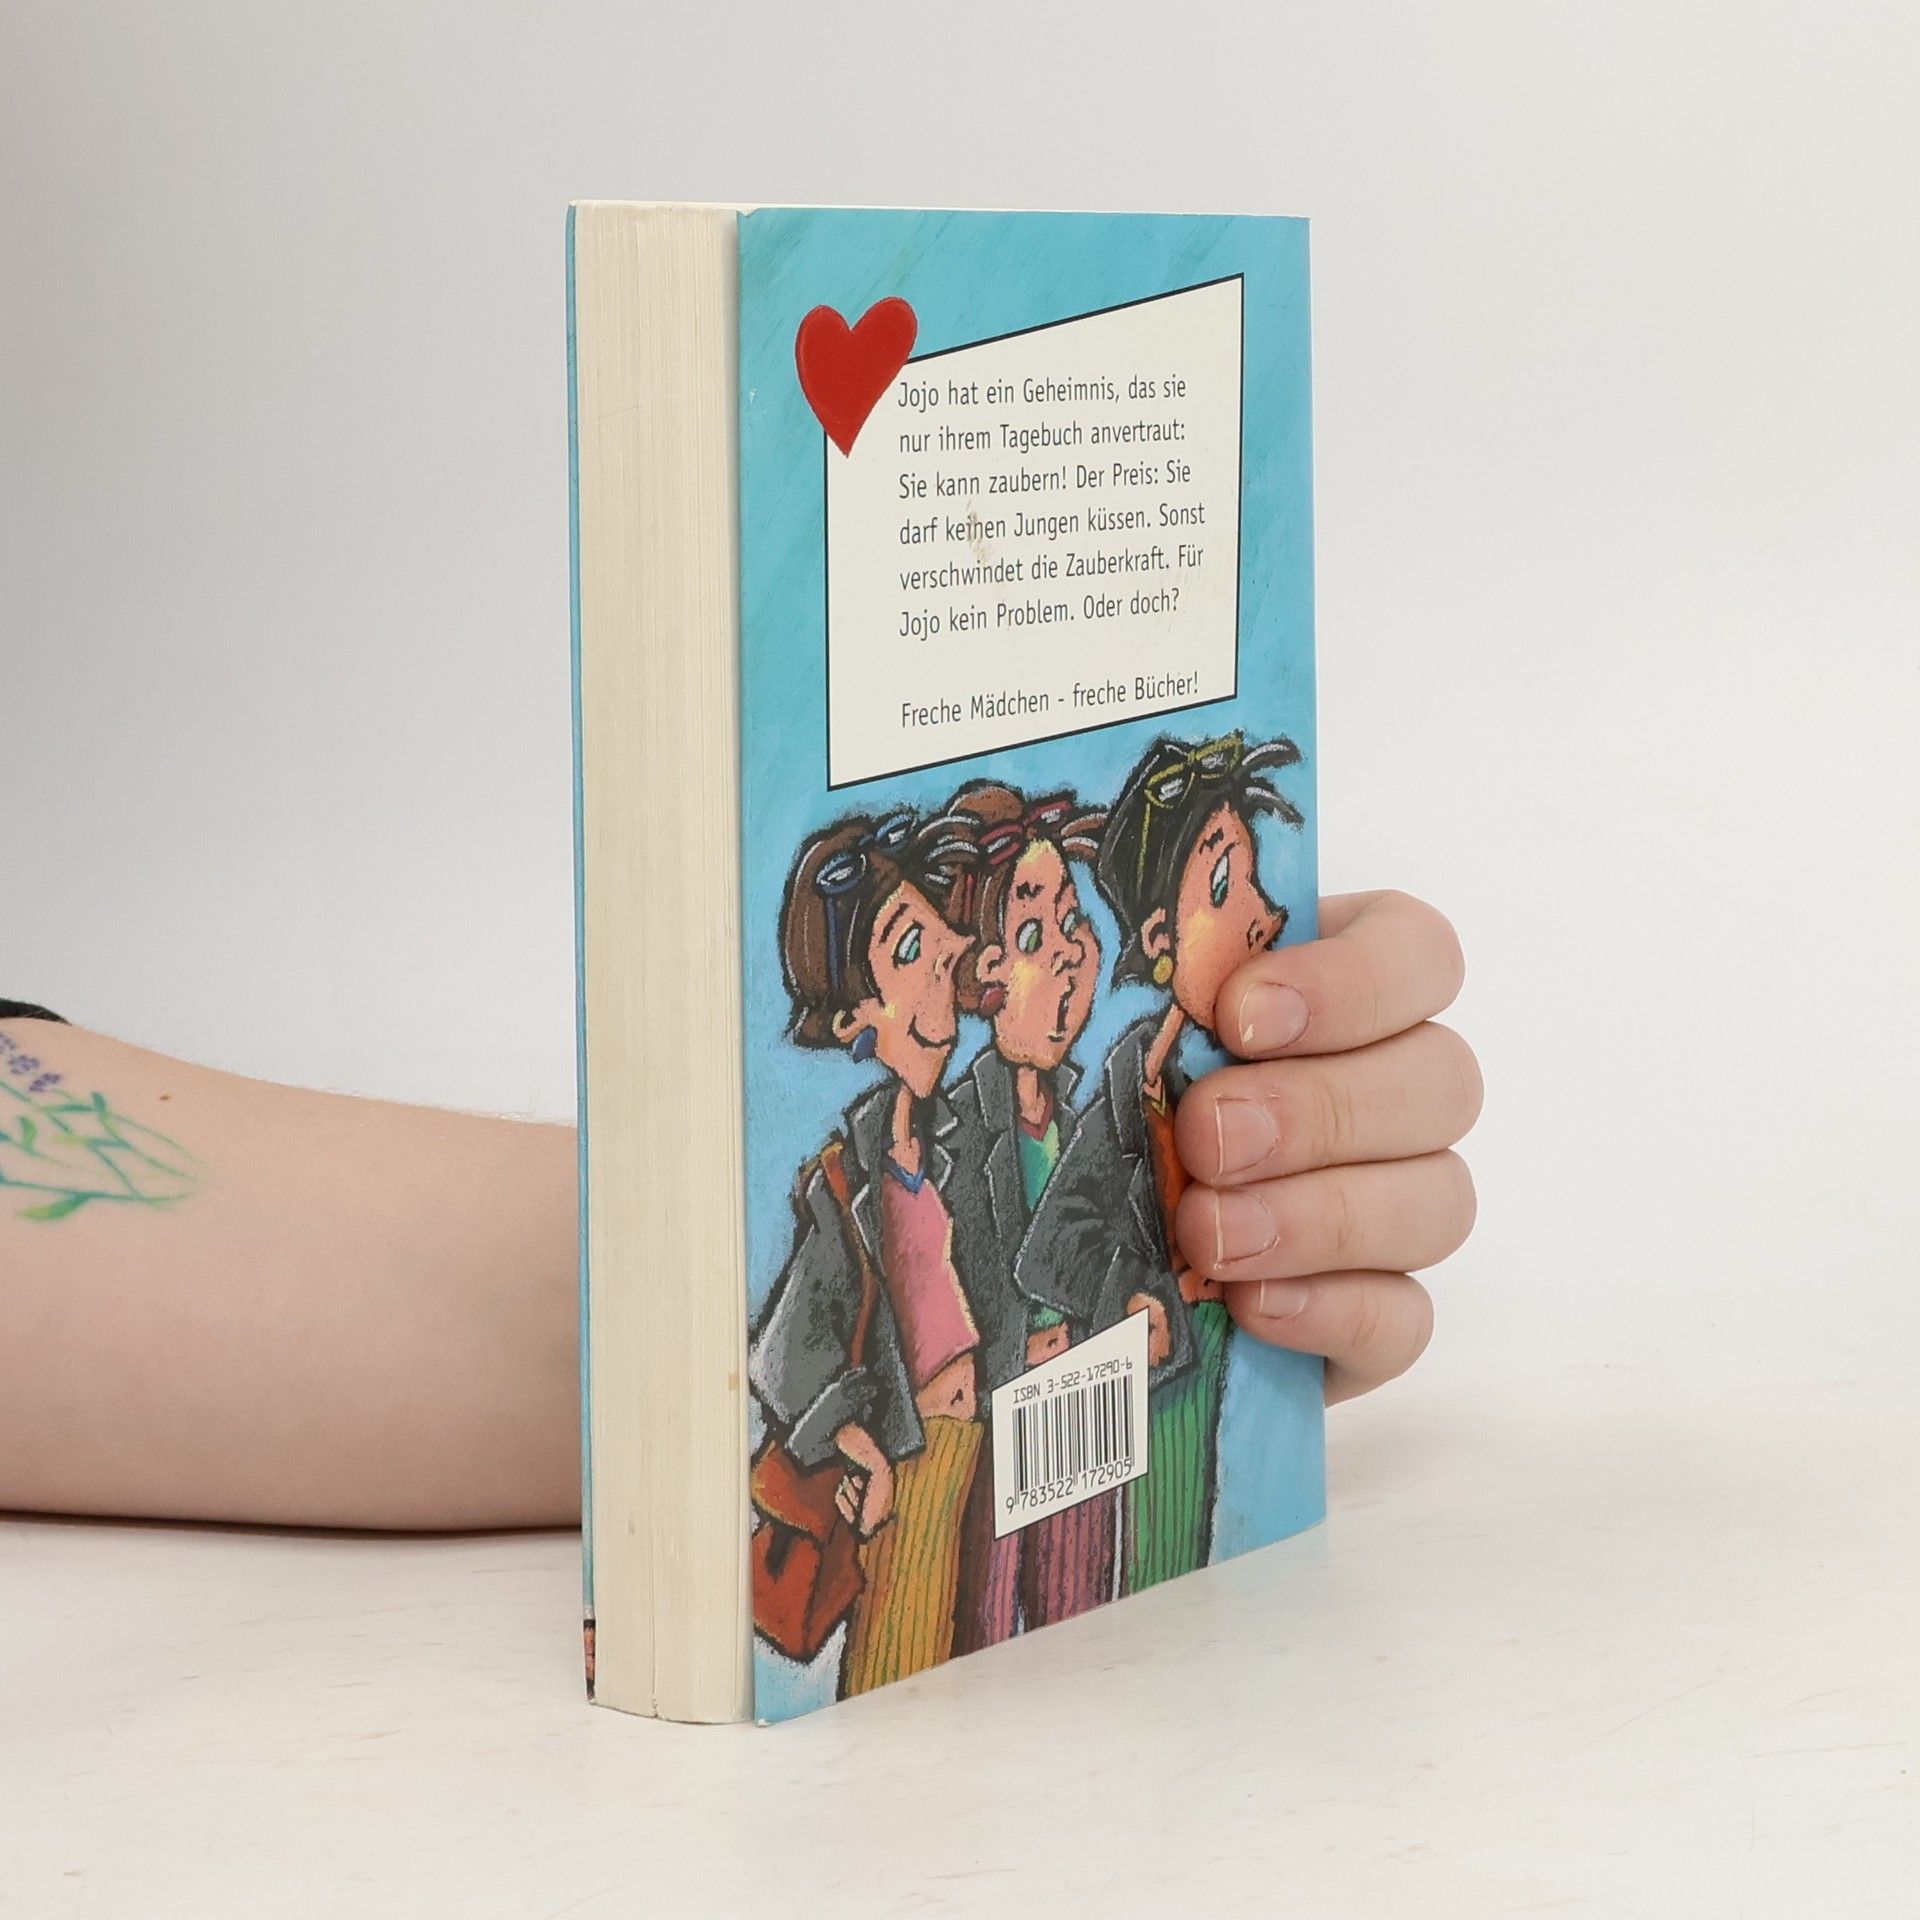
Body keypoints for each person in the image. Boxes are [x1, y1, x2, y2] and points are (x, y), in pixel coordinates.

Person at [0, 870, 1480, 1536]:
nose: (975, 966)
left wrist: (1205, 1212)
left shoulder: (1007, 1119)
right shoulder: (865, 1163)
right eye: (931, 946)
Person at [745, 809, 993, 1697]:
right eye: (909, 950)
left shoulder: (962, 1136)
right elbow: (783, 1362)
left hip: (986, 1463)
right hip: (911, 1489)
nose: (943, 962)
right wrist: (864, 1452)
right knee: (905, 1685)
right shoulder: (845, 1180)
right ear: (857, 1016)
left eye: (939, 939)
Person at [937, 784, 1116, 1650]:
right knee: (983, 1628)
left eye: (1073, 920)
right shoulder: (960, 1132)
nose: (1073, 953)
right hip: (999, 1417)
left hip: (1085, 1402)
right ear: (985, 977)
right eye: (1036, 937)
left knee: (1082, 1614)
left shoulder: (1084, 1122)